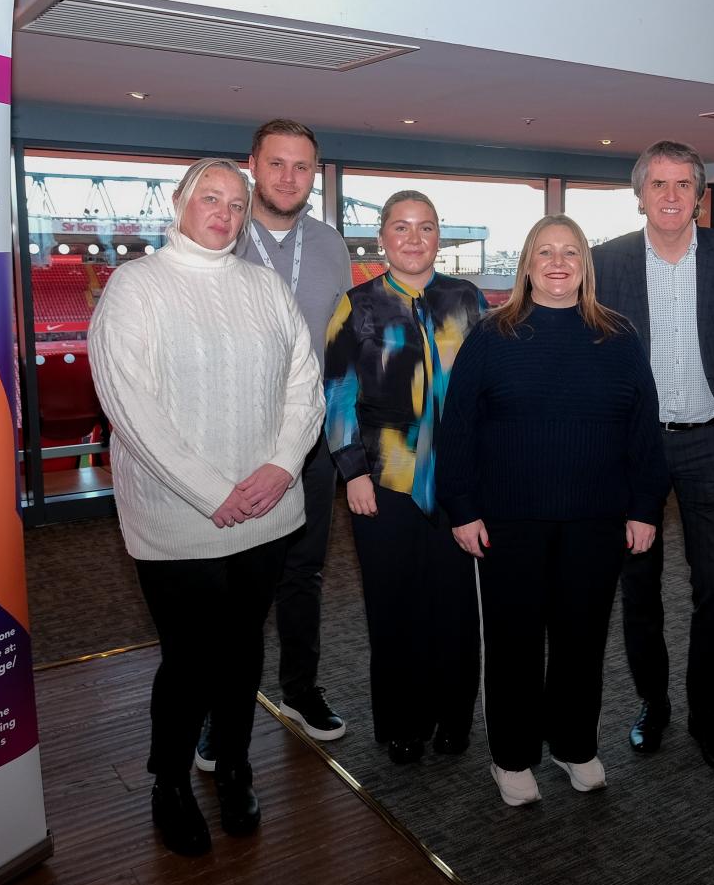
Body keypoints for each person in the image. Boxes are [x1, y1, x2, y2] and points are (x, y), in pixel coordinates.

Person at [89, 158, 323, 856]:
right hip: (178, 516)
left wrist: (282, 466)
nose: (223, 212)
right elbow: (130, 405)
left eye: (235, 203)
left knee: (245, 646)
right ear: (181, 202)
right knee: (189, 659)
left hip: (267, 509)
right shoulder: (136, 287)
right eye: (209, 198)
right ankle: (169, 782)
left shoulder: (265, 286)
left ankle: (233, 762)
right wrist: (212, 492)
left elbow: (303, 383)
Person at [438, 215, 669, 807]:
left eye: (570, 252)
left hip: (596, 520)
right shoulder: (492, 335)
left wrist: (646, 508)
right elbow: (457, 430)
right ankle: (512, 757)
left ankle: (573, 743)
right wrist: (462, 509)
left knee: (582, 639)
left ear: (585, 265)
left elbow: (644, 431)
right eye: (546, 252)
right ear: (528, 263)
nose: (558, 262)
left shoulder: (619, 337)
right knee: (515, 641)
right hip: (510, 520)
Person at [594, 140, 714, 773]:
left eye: (682, 184)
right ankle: (654, 703)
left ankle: (705, 712)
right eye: (657, 184)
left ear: (699, 195)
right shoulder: (606, 262)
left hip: (709, 441)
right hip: (632, 449)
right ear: (639, 194)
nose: (670, 196)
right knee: (638, 587)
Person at [321, 191, 484, 765]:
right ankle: (402, 723)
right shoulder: (356, 305)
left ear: (439, 237)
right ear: (383, 238)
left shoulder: (466, 299)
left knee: (456, 608)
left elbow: (481, 395)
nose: (414, 239)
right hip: (383, 482)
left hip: (456, 484)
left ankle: (455, 717)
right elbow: (336, 396)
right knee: (394, 608)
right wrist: (353, 473)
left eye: (426, 228)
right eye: (401, 228)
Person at [219, 118, 356, 747]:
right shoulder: (219, 235)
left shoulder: (330, 244)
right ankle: (223, 718)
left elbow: (341, 347)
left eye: (302, 167)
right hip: (235, 440)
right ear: (253, 163)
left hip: (313, 441)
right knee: (235, 582)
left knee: (304, 574)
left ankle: (301, 691)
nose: (288, 178)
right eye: (277, 163)